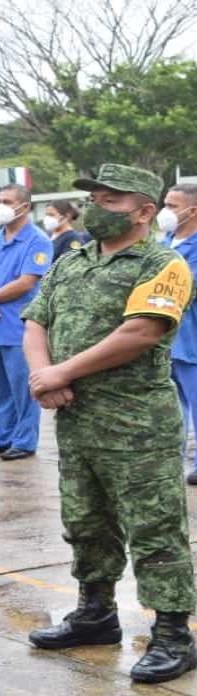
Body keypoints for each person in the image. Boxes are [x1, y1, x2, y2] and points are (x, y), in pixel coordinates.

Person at [23, 163, 196, 684]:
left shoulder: (163, 265)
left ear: (145, 211)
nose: (98, 206)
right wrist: (42, 376)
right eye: (95, 198)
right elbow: (36, 319)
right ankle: (95, 613)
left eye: (112, 200)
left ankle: (172, 635)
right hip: (77, 420)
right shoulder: (72, 261)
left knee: (155, 530)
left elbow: (141, 332)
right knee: (86, 524)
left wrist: (61, 371)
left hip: (137, 426)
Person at [0, 184, 52, 461]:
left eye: (6, 201)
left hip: (18, 329)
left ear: (24, 207)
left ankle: (25, 441)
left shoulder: (37, 241)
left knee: (23, 390)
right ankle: (3, 437)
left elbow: (27, 282)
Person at [162, 183, 197, 484]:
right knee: (173, 405)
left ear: (192, 210)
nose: (166, 212)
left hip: (192, 337)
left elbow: (186, 287)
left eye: (173, 206)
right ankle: (173, 456)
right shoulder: (166, 242)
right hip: (166, 339)